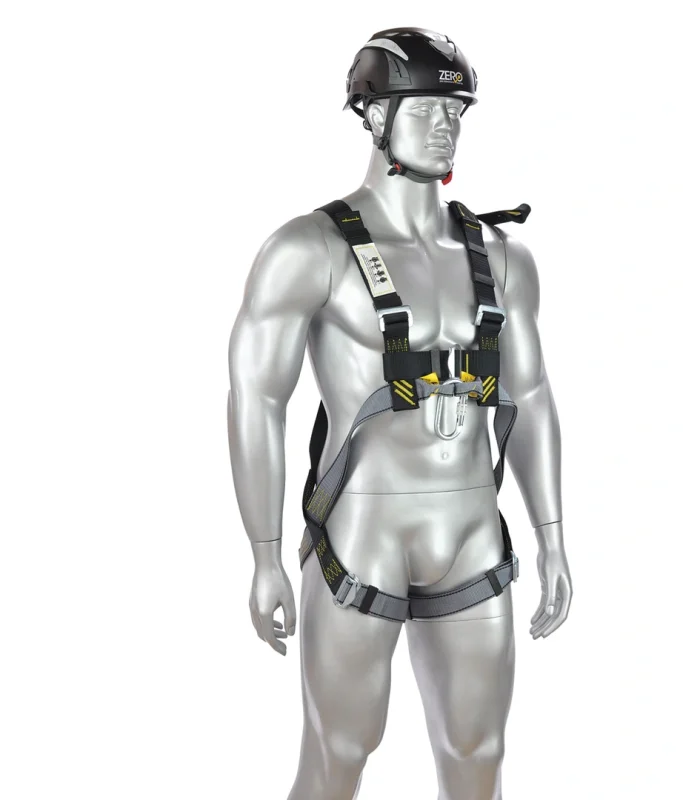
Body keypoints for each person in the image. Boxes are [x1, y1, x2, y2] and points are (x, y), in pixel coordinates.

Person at [227, 27, 572, 800]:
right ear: (375, 115)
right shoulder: (308, 250)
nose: (446, 124)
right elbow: (257, 398)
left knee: (478, 756)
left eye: (457, 109)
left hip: (472, 532)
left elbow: (531, 397)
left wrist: (552, 537)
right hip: (361, 534)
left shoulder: (501, 257)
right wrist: (264, 554)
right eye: (426, 107)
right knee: (338, 759)